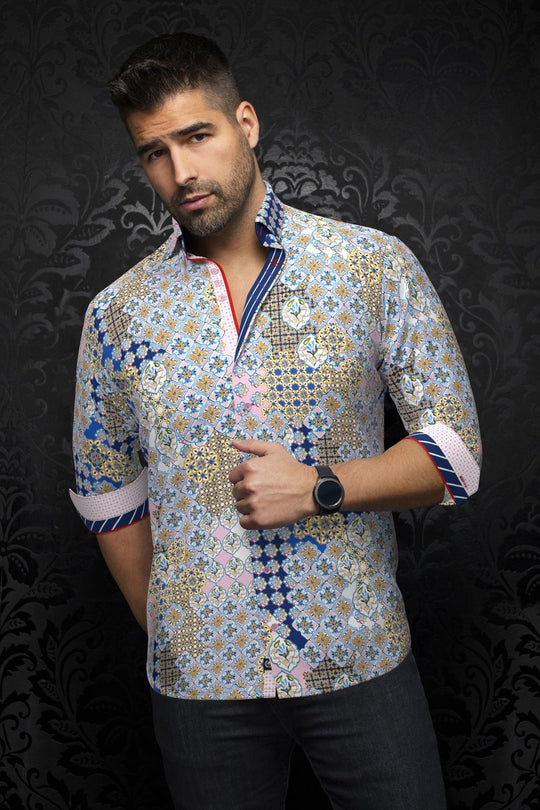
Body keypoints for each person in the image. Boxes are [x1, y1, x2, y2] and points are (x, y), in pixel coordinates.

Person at [70, 32, 481, 810]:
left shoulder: (371, 266)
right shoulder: (117, 314)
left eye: (198, 136)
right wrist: (173, 625)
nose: (181, 172)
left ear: (246, 123)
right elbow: (105, 488)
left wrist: (321, 487)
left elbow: (457, 456)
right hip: (199, 685)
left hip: (358, 656)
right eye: (155, 152)